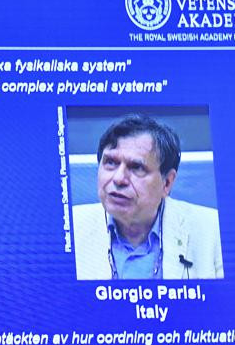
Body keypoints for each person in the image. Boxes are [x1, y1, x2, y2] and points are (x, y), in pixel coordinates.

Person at [72, 113, 222, 280]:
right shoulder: (70, 229)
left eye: (137, 167)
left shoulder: (213, 232)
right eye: (110, 163)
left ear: (167, 183)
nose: (119, 178)